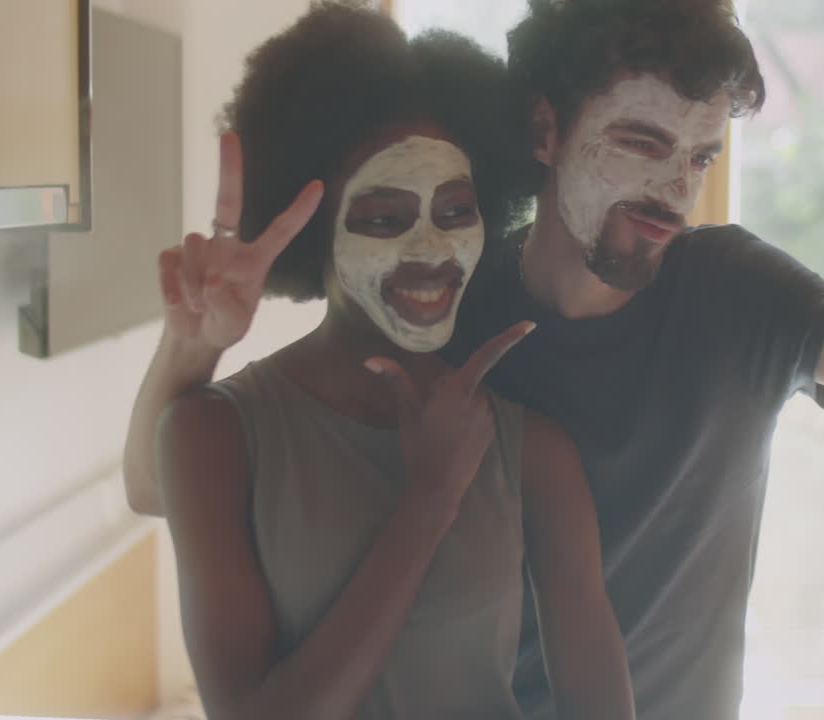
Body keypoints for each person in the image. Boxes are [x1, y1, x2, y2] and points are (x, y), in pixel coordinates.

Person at [126, 0, 824, 718]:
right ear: (544, 132)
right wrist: (193, 346)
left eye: (698, 156)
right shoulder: (449, 295)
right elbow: (165, 477)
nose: (671, 194)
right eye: (642, 144)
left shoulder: (728, 287)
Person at [148, 4, 634, 719]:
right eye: (382, 216)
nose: (430, 249)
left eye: (455, 211)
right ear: (312, 231)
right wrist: (429, 499)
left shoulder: (533, 451)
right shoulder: (211, 435)